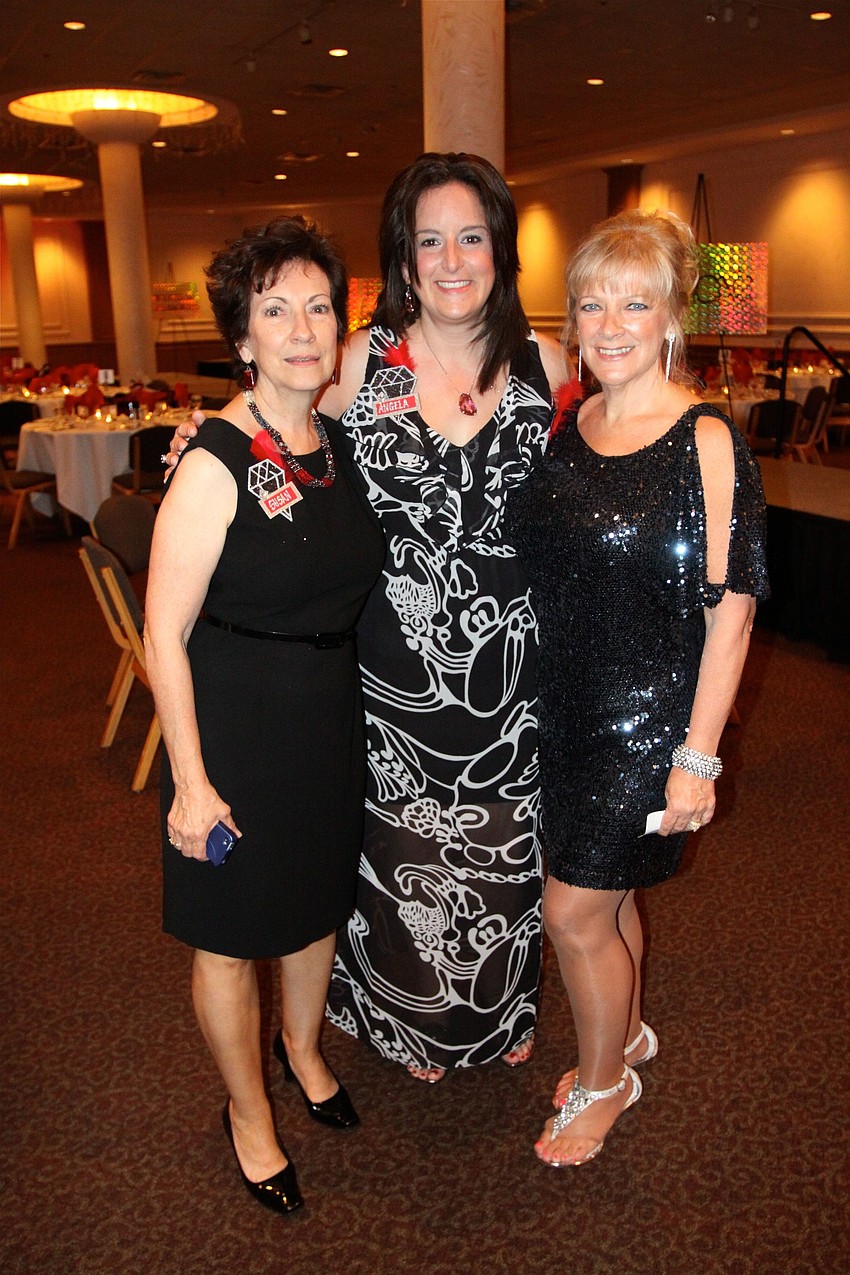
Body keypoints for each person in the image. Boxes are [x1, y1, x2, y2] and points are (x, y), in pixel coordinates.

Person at [170, 153, 570, 1082]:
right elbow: (273, 421)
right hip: (388, 681)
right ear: (403, 257)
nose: (452, 259)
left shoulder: (547, 363)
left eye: (472, 236)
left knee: (504, 865)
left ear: (501, 249)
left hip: (510, 681)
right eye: (429, 240)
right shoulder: (358, 361)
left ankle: (493, 1020)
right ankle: (401, 1030)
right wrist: (203, 433)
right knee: (398, 868)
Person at [507, 209, 769, 1166]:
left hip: (648, 721)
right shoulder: (573, 421)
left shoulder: (704, 438)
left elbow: (731, 612)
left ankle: (607, 1079)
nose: (609, 322)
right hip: (563, 709)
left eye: (634, 302)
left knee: (570, 911)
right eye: (590, 304)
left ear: (670, 319)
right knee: (609, 902)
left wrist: (697, 759)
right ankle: (630, 1032)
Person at [144, 216, 385, 1215]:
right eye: (273, 308)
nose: (299, 327)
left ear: (339, 329)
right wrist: (193, 784)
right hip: (234, 732)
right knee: (233, 936)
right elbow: (162, 634)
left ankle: (300, 1050)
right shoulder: (212, 461)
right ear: (241, 336)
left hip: (323, 727)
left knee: (313, 907)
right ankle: (248, 1112)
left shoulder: (335, 446)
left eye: (317, 306)